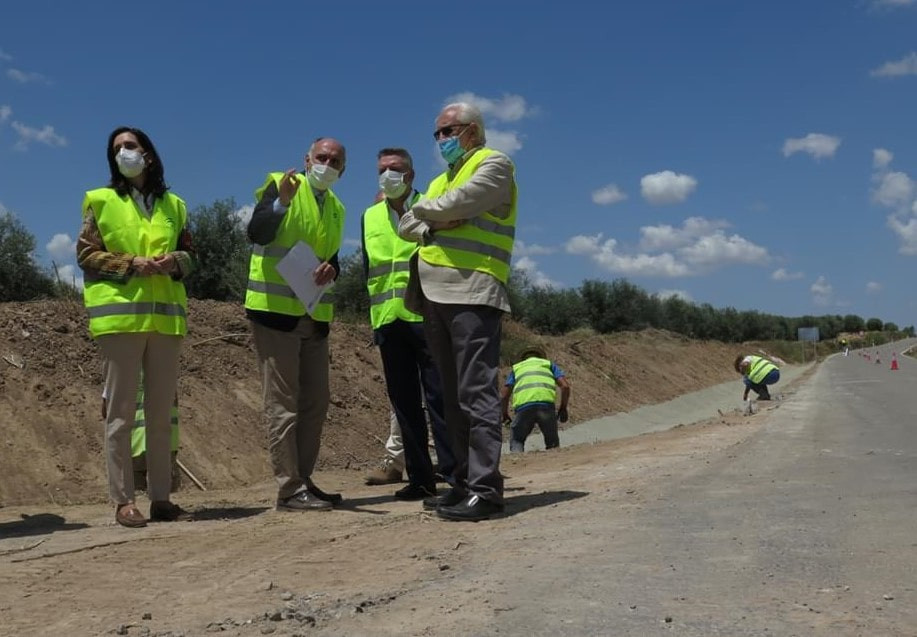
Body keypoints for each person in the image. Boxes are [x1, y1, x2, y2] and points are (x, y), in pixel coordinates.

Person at [398, 102, 517, 521]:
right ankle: (464, 484)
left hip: (473, 289)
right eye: (438, 133)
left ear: (472, 130)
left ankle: (486, 490)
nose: (442, 140)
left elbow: (466, 200)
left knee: (476, 392)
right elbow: (404, 225)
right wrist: (435, 219)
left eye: (448, 131)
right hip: (434, 293)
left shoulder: (495, 164)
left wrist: (428, 212)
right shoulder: (437, 181)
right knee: (451, 397)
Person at [77, 125, 195, 528]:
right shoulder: (101, 200)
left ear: (148, 154)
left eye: (130, 146)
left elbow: (192, 255)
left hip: (165, 321)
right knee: (121, 414)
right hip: (119, 320)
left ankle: (161, 498)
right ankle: (123, 500)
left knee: (162, 414)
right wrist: (131, 263)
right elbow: (86, 254)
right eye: (117, 149)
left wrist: (175, 261)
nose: (123, 152)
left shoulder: (175, 205)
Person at [245, 137, 347, 512]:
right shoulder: (282, 184)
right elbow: (257, 232)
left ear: (343, 169)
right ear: (307, 159)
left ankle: (303, 479)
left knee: (315, 403)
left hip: (314, 315)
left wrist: (332, 268)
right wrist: (282, 202)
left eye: (335, 160)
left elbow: (332, 257)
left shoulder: (336, 208)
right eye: (322, 157)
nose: (328, 164)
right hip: (275, 313)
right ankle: (288, 489)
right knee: (282, 405)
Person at [361, 148, 455, 500]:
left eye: (395, 169)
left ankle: (452, 474)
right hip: (388, 321)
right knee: (404, 404)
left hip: (428, 317)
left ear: (410, 175)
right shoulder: (369, 216)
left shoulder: (430, 205)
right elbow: (370, 271)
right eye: (382, 169)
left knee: (440, 399)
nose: (388, 175)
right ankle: (420, 479)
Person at [101, 367, 181, 492]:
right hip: (162, 440)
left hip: (133, 442)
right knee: (164, 488)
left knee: (135, 488)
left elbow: (106, 409)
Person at [501, 346, 571, 452]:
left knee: (517, 439)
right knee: (552, 442)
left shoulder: (517, 368)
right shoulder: (548, 365)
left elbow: (504, 395)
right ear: (540, 357)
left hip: (524, 408)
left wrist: (504, 414)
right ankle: (556, 464)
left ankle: (518, 463)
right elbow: (565, 386)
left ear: (523, 359)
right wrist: (563, 408)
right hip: (546, 407)